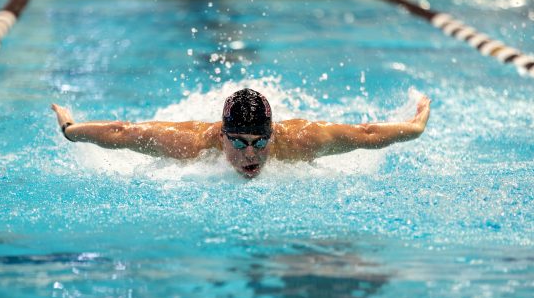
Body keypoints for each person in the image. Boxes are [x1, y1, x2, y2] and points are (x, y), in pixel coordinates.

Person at [51, 88, 430, 178]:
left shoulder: (300, 141)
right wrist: (72, 130)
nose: (252, 154)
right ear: (221, 136)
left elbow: (364, 134)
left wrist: (413, 128)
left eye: (260, 143)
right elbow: (124, 132)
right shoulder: (190, 145)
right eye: (239, 142)